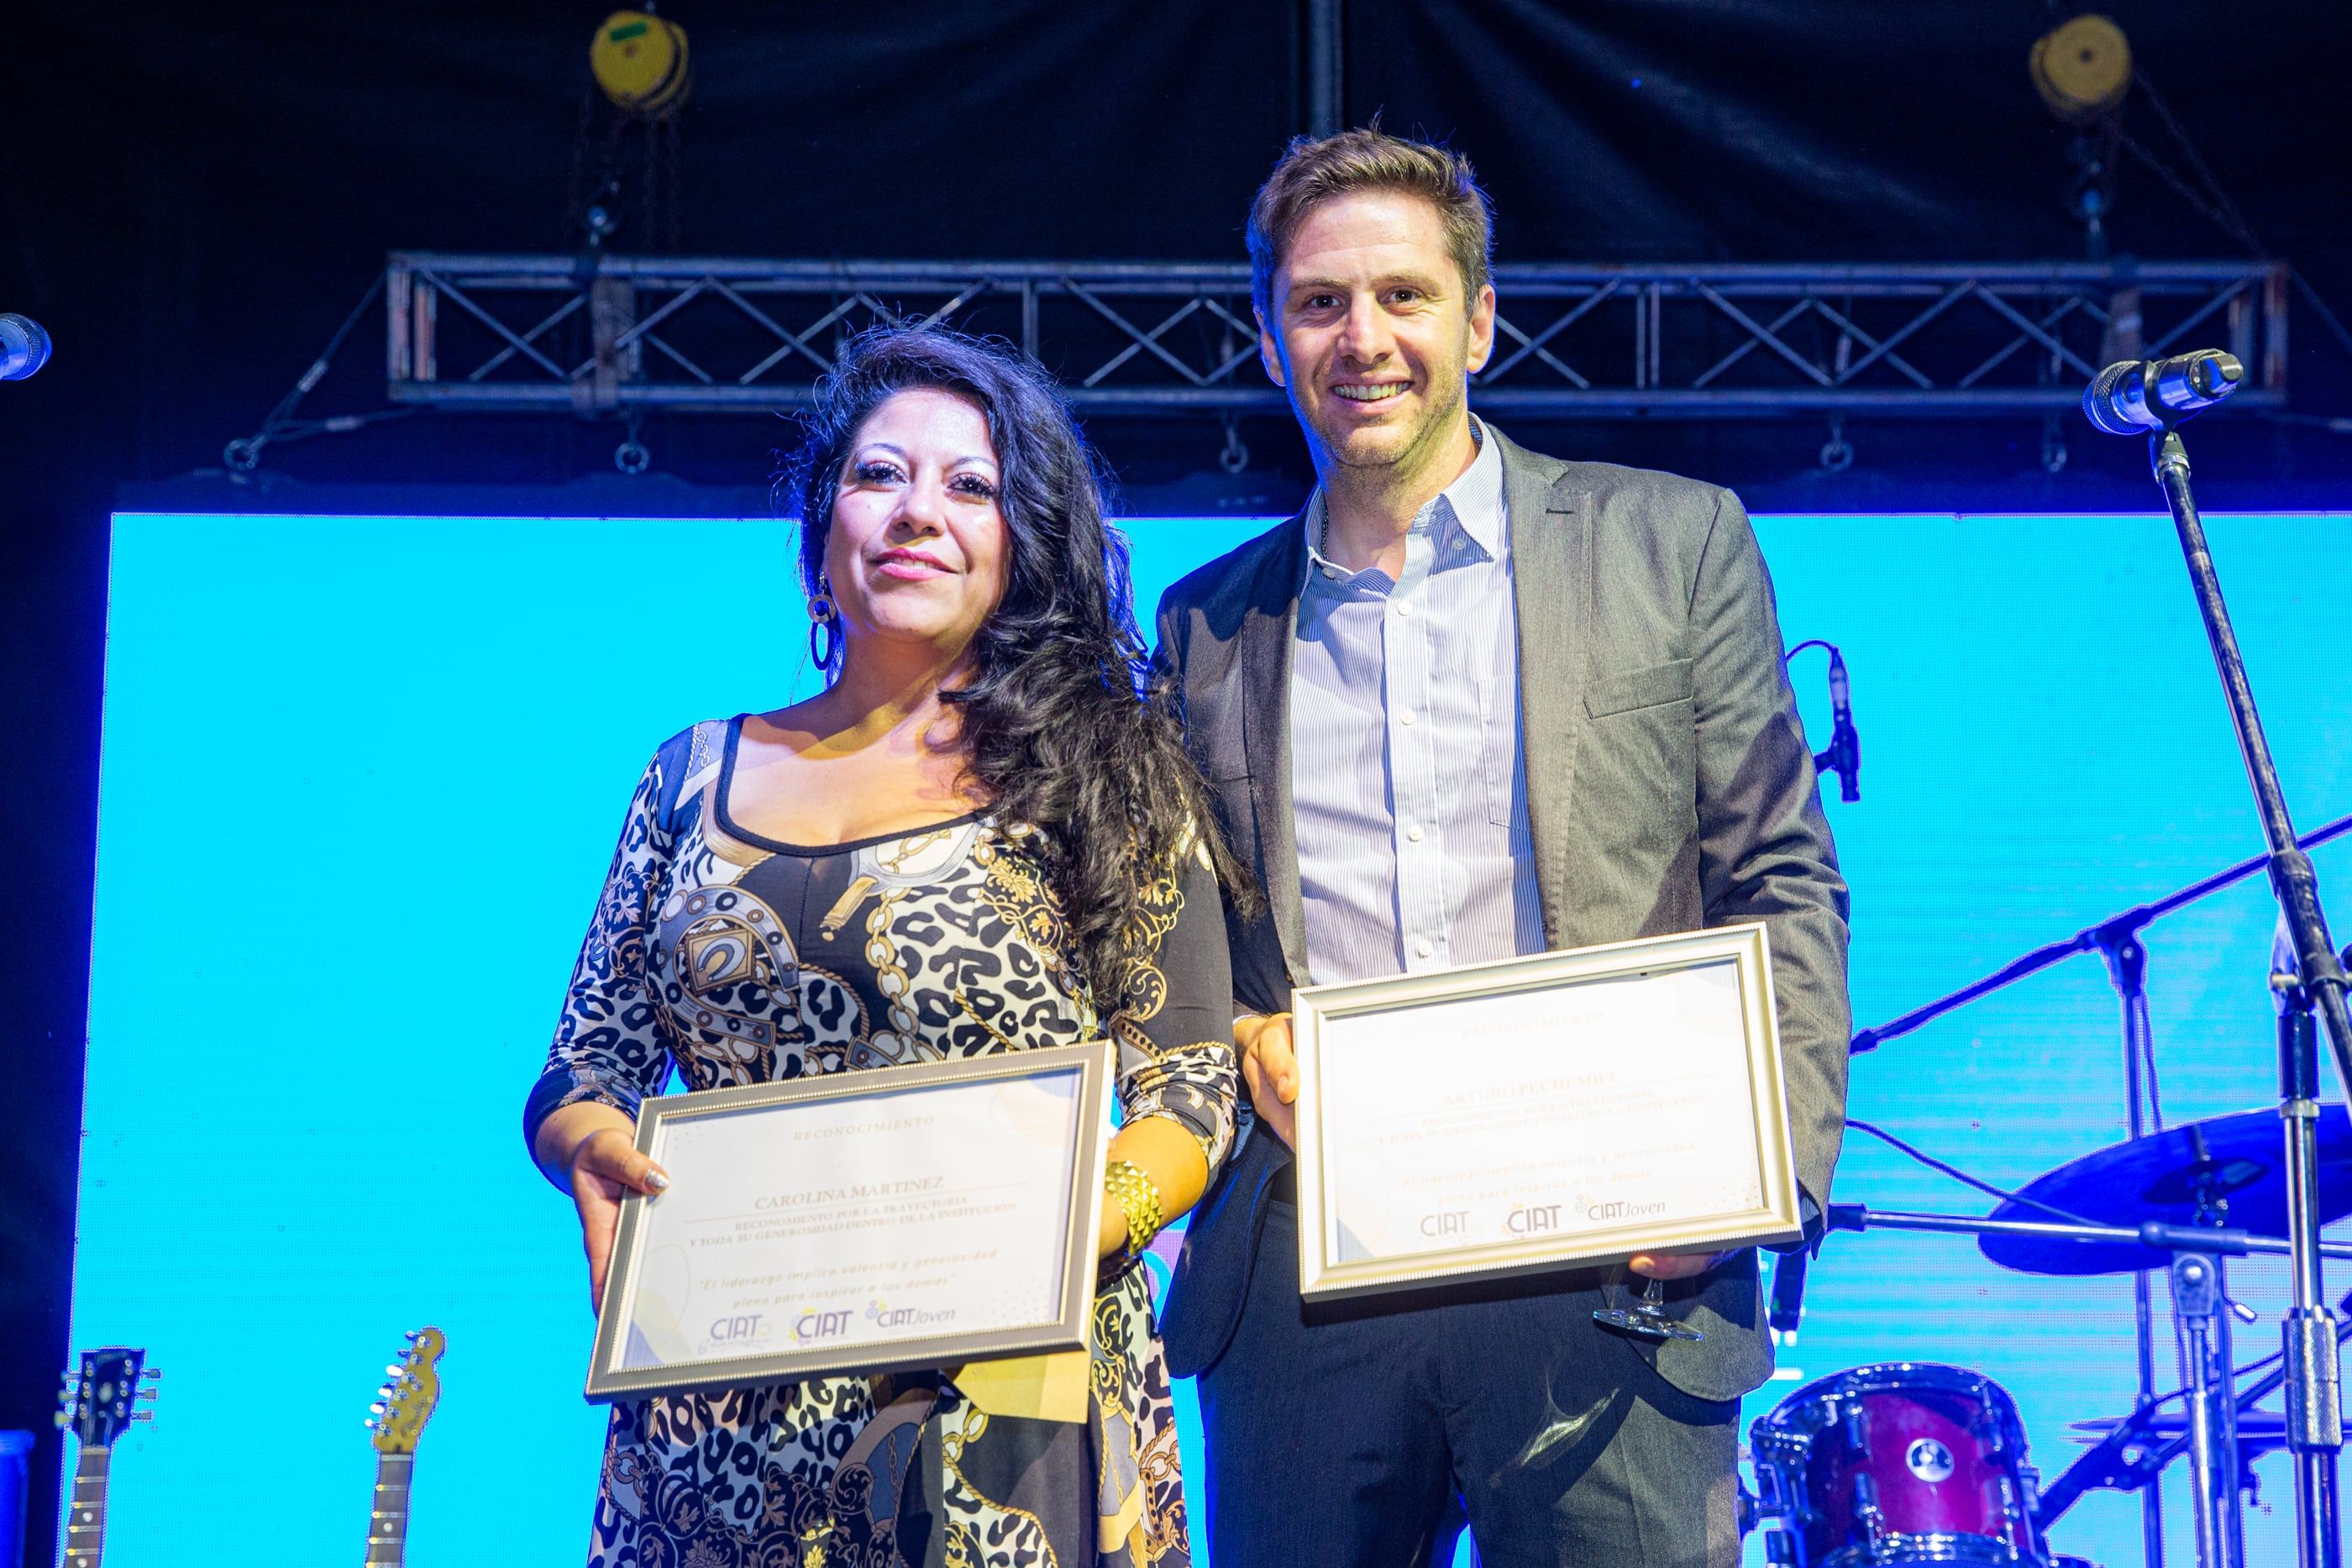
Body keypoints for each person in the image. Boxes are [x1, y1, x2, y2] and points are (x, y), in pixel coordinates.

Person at [1152, 129, 1852, 1566]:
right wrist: (1235, 1030)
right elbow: (1178, 945)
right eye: (1320, 303)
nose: (1364, 339)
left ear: (1478, 320)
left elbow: (1781, 878)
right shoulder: (1203, 624)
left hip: (1618, 1254)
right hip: (1311, 1273)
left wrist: (1760, 1176)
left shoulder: (1674, 543)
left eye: (1403, 296)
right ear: (1272, 339)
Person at [525, 327, 1248, 1568]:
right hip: (723, 1419)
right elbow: (583, 1067)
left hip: (1005, 1413)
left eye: (970, 485)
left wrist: (1059, 1234)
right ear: (821, 538)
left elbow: (1189, 1095)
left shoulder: (1109, 770)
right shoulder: (687, 777)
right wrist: (585, 1142)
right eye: (879, 475)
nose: (919, 512)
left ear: (1023, 543)